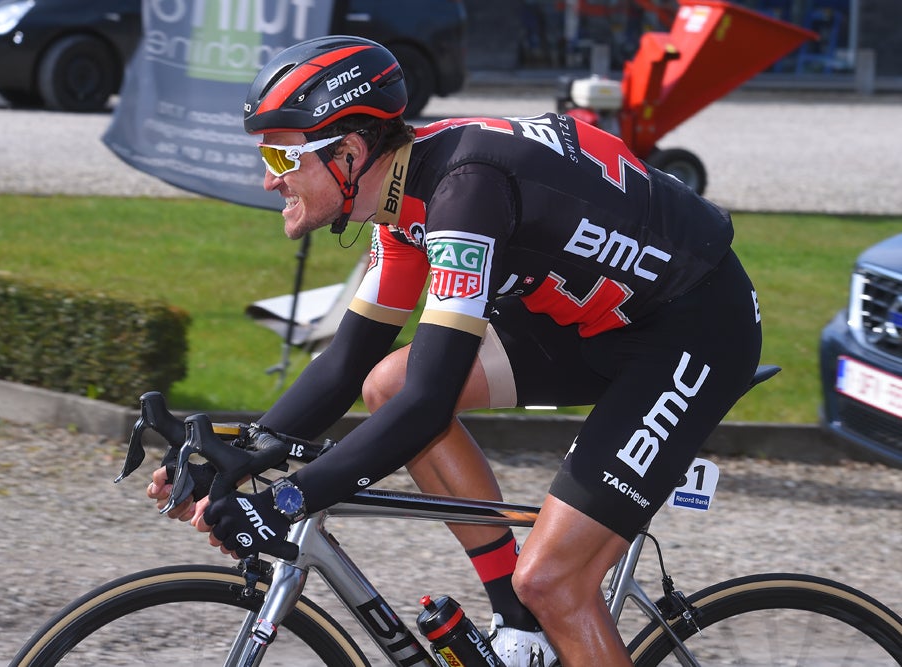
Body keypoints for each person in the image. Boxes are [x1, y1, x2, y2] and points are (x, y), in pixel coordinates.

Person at [148, 35, 762, 666]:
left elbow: (429, 403)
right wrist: (236, 456)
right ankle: (518, 627)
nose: (269, 178)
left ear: (349, 153)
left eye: (281, 156)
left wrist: (288, 499)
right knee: (386, 382)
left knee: (556, 580)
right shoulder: (399, 197)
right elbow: (347, 363)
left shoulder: (464, 194)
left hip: (690, 329)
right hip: (588, 322)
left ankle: (537, 603)